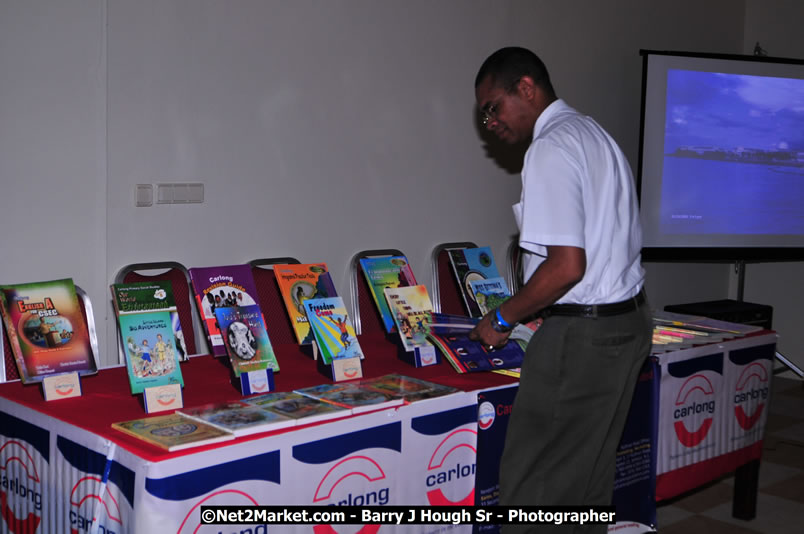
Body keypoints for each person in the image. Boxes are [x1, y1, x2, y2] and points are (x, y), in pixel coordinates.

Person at [469, 47, 652, 532]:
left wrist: (502, 319)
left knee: (536, 491)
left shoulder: (550, 147)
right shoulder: (595, 135)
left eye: (492, 107)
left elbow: (566, 267)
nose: (490, 122)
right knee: (584, 485)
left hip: (583, 340)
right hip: (626, 324)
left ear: (525, 88)